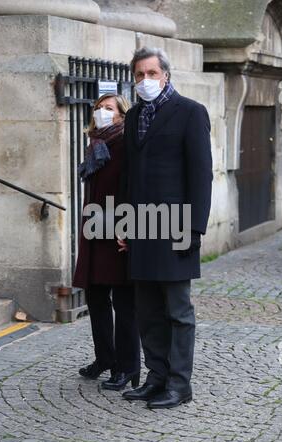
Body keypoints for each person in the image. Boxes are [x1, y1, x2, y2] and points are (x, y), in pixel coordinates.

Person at [120, 47, 213, 409]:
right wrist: (124, 223)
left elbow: (201, 176)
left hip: (176, 227)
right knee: (147, 311)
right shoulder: (133, 118)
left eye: (151, 74)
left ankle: (179, 384)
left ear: (166, 75)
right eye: (139, 75)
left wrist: (193, 229)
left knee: (177, 311)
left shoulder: (190, 112)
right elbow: (129, 175)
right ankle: (156, 377)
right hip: (141, 229)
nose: (145, 81)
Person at [73, 93, 140, 391]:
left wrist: (130, 229)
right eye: (99, 108)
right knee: (96, 298)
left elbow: (133, 189)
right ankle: (106, 359)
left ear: (122, 115)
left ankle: (128, 367)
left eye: (109, 108)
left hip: (117, 230)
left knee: (124, 302)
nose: (101, 112)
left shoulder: (126, 144)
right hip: (94, 228)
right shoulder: (96, 144)